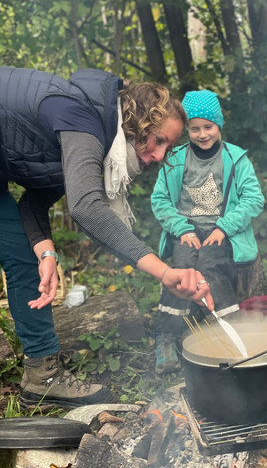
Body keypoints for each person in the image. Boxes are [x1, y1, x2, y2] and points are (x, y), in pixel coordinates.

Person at [0, 66, 214, 408]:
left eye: (167, 147)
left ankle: (42, 378)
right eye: (158, 139)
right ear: (137, 120)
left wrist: (46, 254)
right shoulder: (81, 118)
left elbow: (33, 202)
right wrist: (164, 272)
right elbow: (86, 206)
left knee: (23, 255)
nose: (159, 156)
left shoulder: (90, 136)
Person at [151, 90, 264, 374]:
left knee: (210, 268)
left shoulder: (235, 158)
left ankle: (230, 333)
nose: (202, 134)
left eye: (208, 127)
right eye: (195, 128)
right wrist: (181, 229)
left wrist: (224, 227)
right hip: (186, 230)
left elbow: (254, 200)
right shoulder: (175, 158)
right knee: (182, 271)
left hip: (220, 230)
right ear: (185, 129)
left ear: (219, 125)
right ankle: (166, 337)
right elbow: (160, 200)